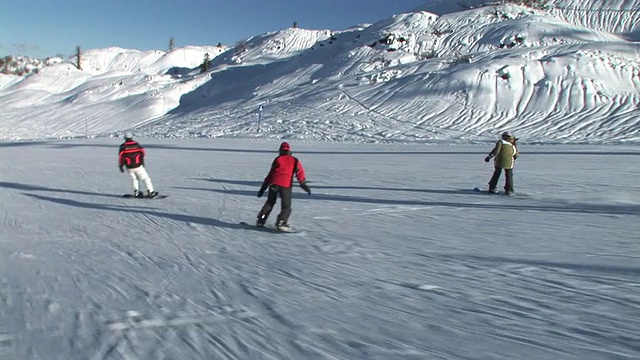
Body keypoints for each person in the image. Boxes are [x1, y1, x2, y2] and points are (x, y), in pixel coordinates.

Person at [257, 142, 311, 230]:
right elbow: (299, 172)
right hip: (285, 185)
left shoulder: (278, 159)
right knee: (286, 206)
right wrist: (303, 184)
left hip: (273, 183)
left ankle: (261, 219)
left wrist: (263, 188)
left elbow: (271, 174)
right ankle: (281, 222)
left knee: (270, 202)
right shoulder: (294, 160)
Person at [118, 132, 158, 198]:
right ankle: (151, 192)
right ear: (132, 137)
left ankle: (136, 192)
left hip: (129, 166)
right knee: (145, 178)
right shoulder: (136, 144)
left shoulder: (123, 146)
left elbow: (121, 157)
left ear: (125, 138)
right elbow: (143, 153)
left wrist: (121, 166)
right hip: (138, 165)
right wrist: (142, 161)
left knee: (134, 179)